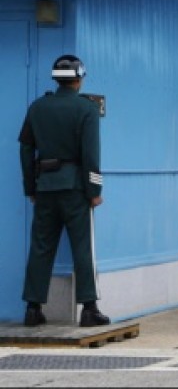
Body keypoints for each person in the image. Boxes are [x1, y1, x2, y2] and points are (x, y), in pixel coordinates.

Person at [18, 55, 109, 328]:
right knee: (83, 247)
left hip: (45, 187)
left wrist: (31, 187)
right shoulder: (86, 109)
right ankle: (89, 309)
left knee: (41, 247)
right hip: (75, 189)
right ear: (78, 79)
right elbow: (91, 155)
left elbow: (25, 150)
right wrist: (94, 190)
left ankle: (32, 309)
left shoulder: (37, 108)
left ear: (56, 79)